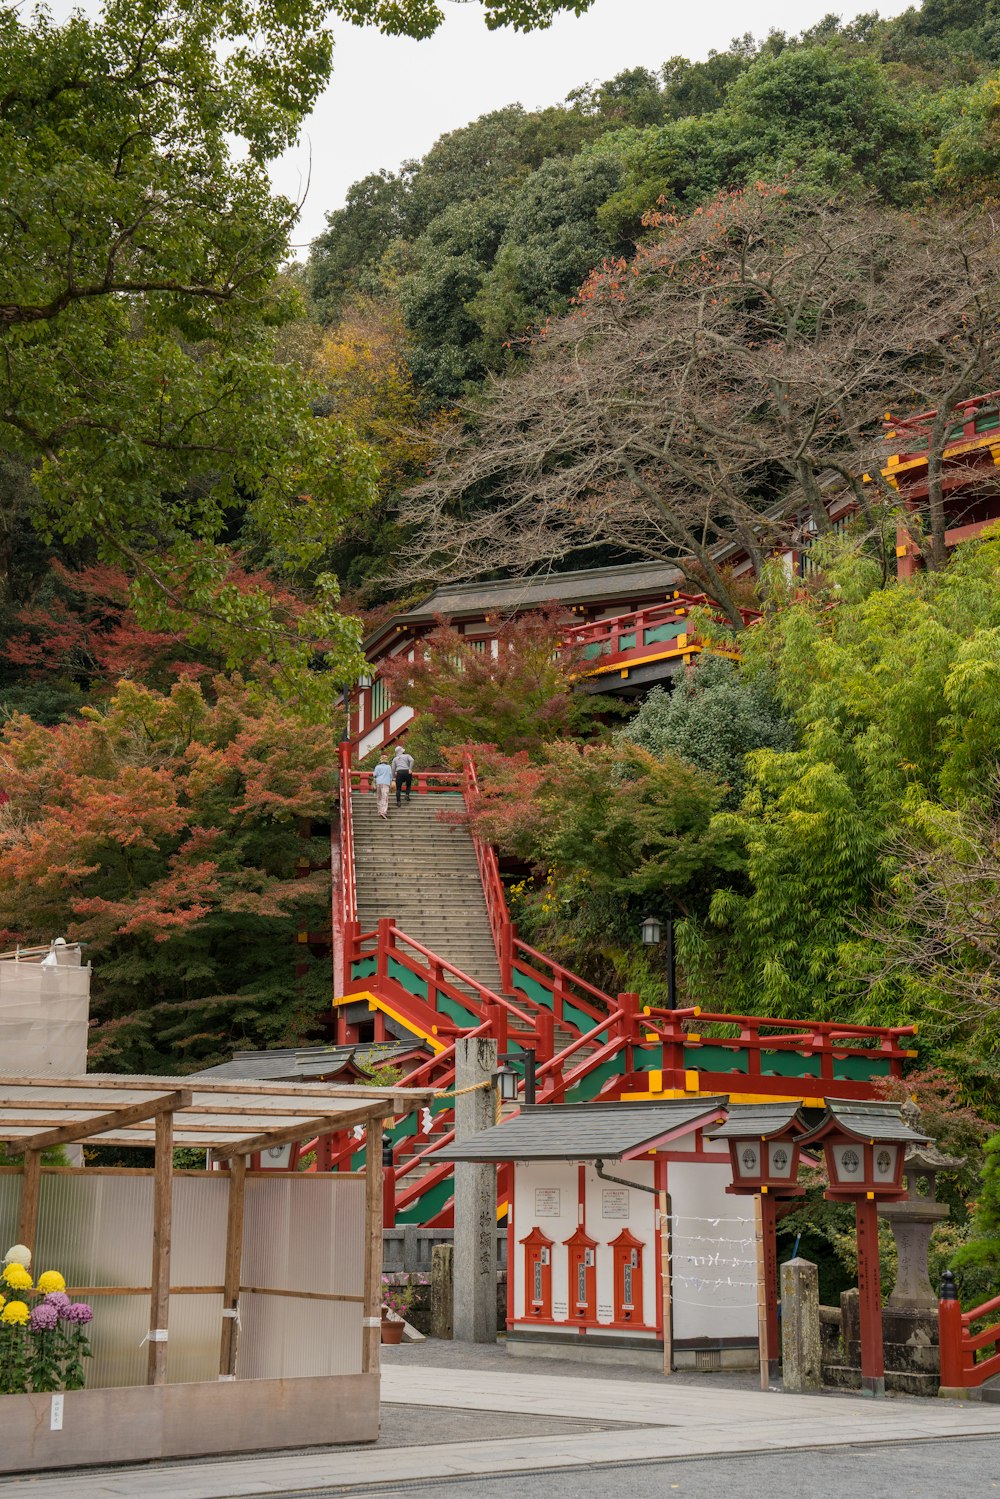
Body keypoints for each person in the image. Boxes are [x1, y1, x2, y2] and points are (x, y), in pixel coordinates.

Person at [372, 753, 393, 819]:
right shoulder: (388, 767)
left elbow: (374, 775)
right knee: (385, 797)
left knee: (379, 796)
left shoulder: (377, 767)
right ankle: (383, 811)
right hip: (386, 782)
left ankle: (379, 810)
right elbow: (390, 776)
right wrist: (390, 783)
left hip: (378, 782)